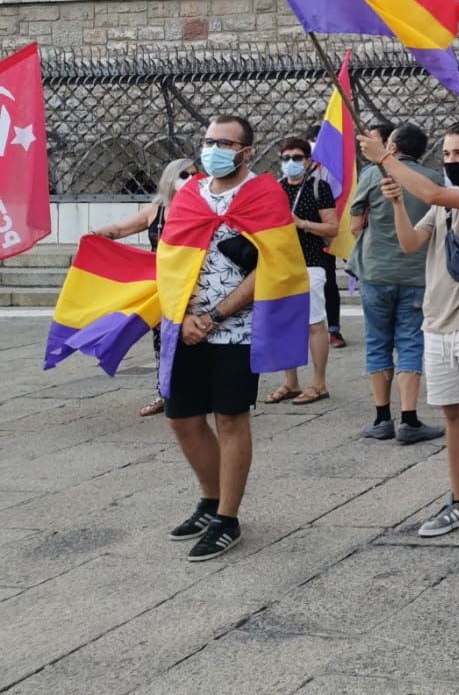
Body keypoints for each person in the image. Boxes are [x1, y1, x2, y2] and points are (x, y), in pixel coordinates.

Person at [359, 121, 459, 551]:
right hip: (437, 321)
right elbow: (411, 244)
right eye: (446, 155)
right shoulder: (443, 206)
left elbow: (430, 192)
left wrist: (384, 157)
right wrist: (395, 203)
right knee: (452, 415)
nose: (451, 161)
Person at [163, 114, 282, 562]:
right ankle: (210, 500)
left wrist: (214, 314)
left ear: (246, 151)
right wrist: (182, 316)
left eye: (226, 143)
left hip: (238, 328)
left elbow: (272, 267)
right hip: (186, 325)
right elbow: (172, 256)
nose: (214, 149)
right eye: (210, 140)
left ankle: (227, 518)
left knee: (230, 420)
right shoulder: (191, 192)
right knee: (182, 418)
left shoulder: (264, 194)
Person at [348, 121, 443, 445]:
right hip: (417, 272)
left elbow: (354, 223)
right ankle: (409, 418)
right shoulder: (432, 180)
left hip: (376, 270)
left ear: (393, 148)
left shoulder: (373, 175)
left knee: (377, 341)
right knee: (411, 343)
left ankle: (381, 417)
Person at [93, 156, 196, 417]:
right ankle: (164, 392)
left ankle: (197, 393)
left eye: (195, 174)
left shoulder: (202, 207)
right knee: (163, 340)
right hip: (161, 285)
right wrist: (97, 235)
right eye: (184, 175)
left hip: (193, 283)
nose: (191, 180)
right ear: (170, 179)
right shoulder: (156, 209)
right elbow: (121, 229)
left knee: (192, 337)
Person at [263, 136, 336, 407]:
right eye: (286, 158)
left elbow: (332, 228)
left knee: (314, 324)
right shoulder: (275, 188)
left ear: (308, 161)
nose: (290, 163)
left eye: (296, 158)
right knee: (284, 325)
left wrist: (301, 223)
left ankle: (319, 383)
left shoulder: (319, 187)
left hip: (310, 262)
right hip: (280, 264)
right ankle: (290, 382)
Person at [305, 122, 346, 348]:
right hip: (300, 237)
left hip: (325, 232)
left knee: (329, 281)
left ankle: (333, 329)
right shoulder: (298, 167)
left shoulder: (333, 168)